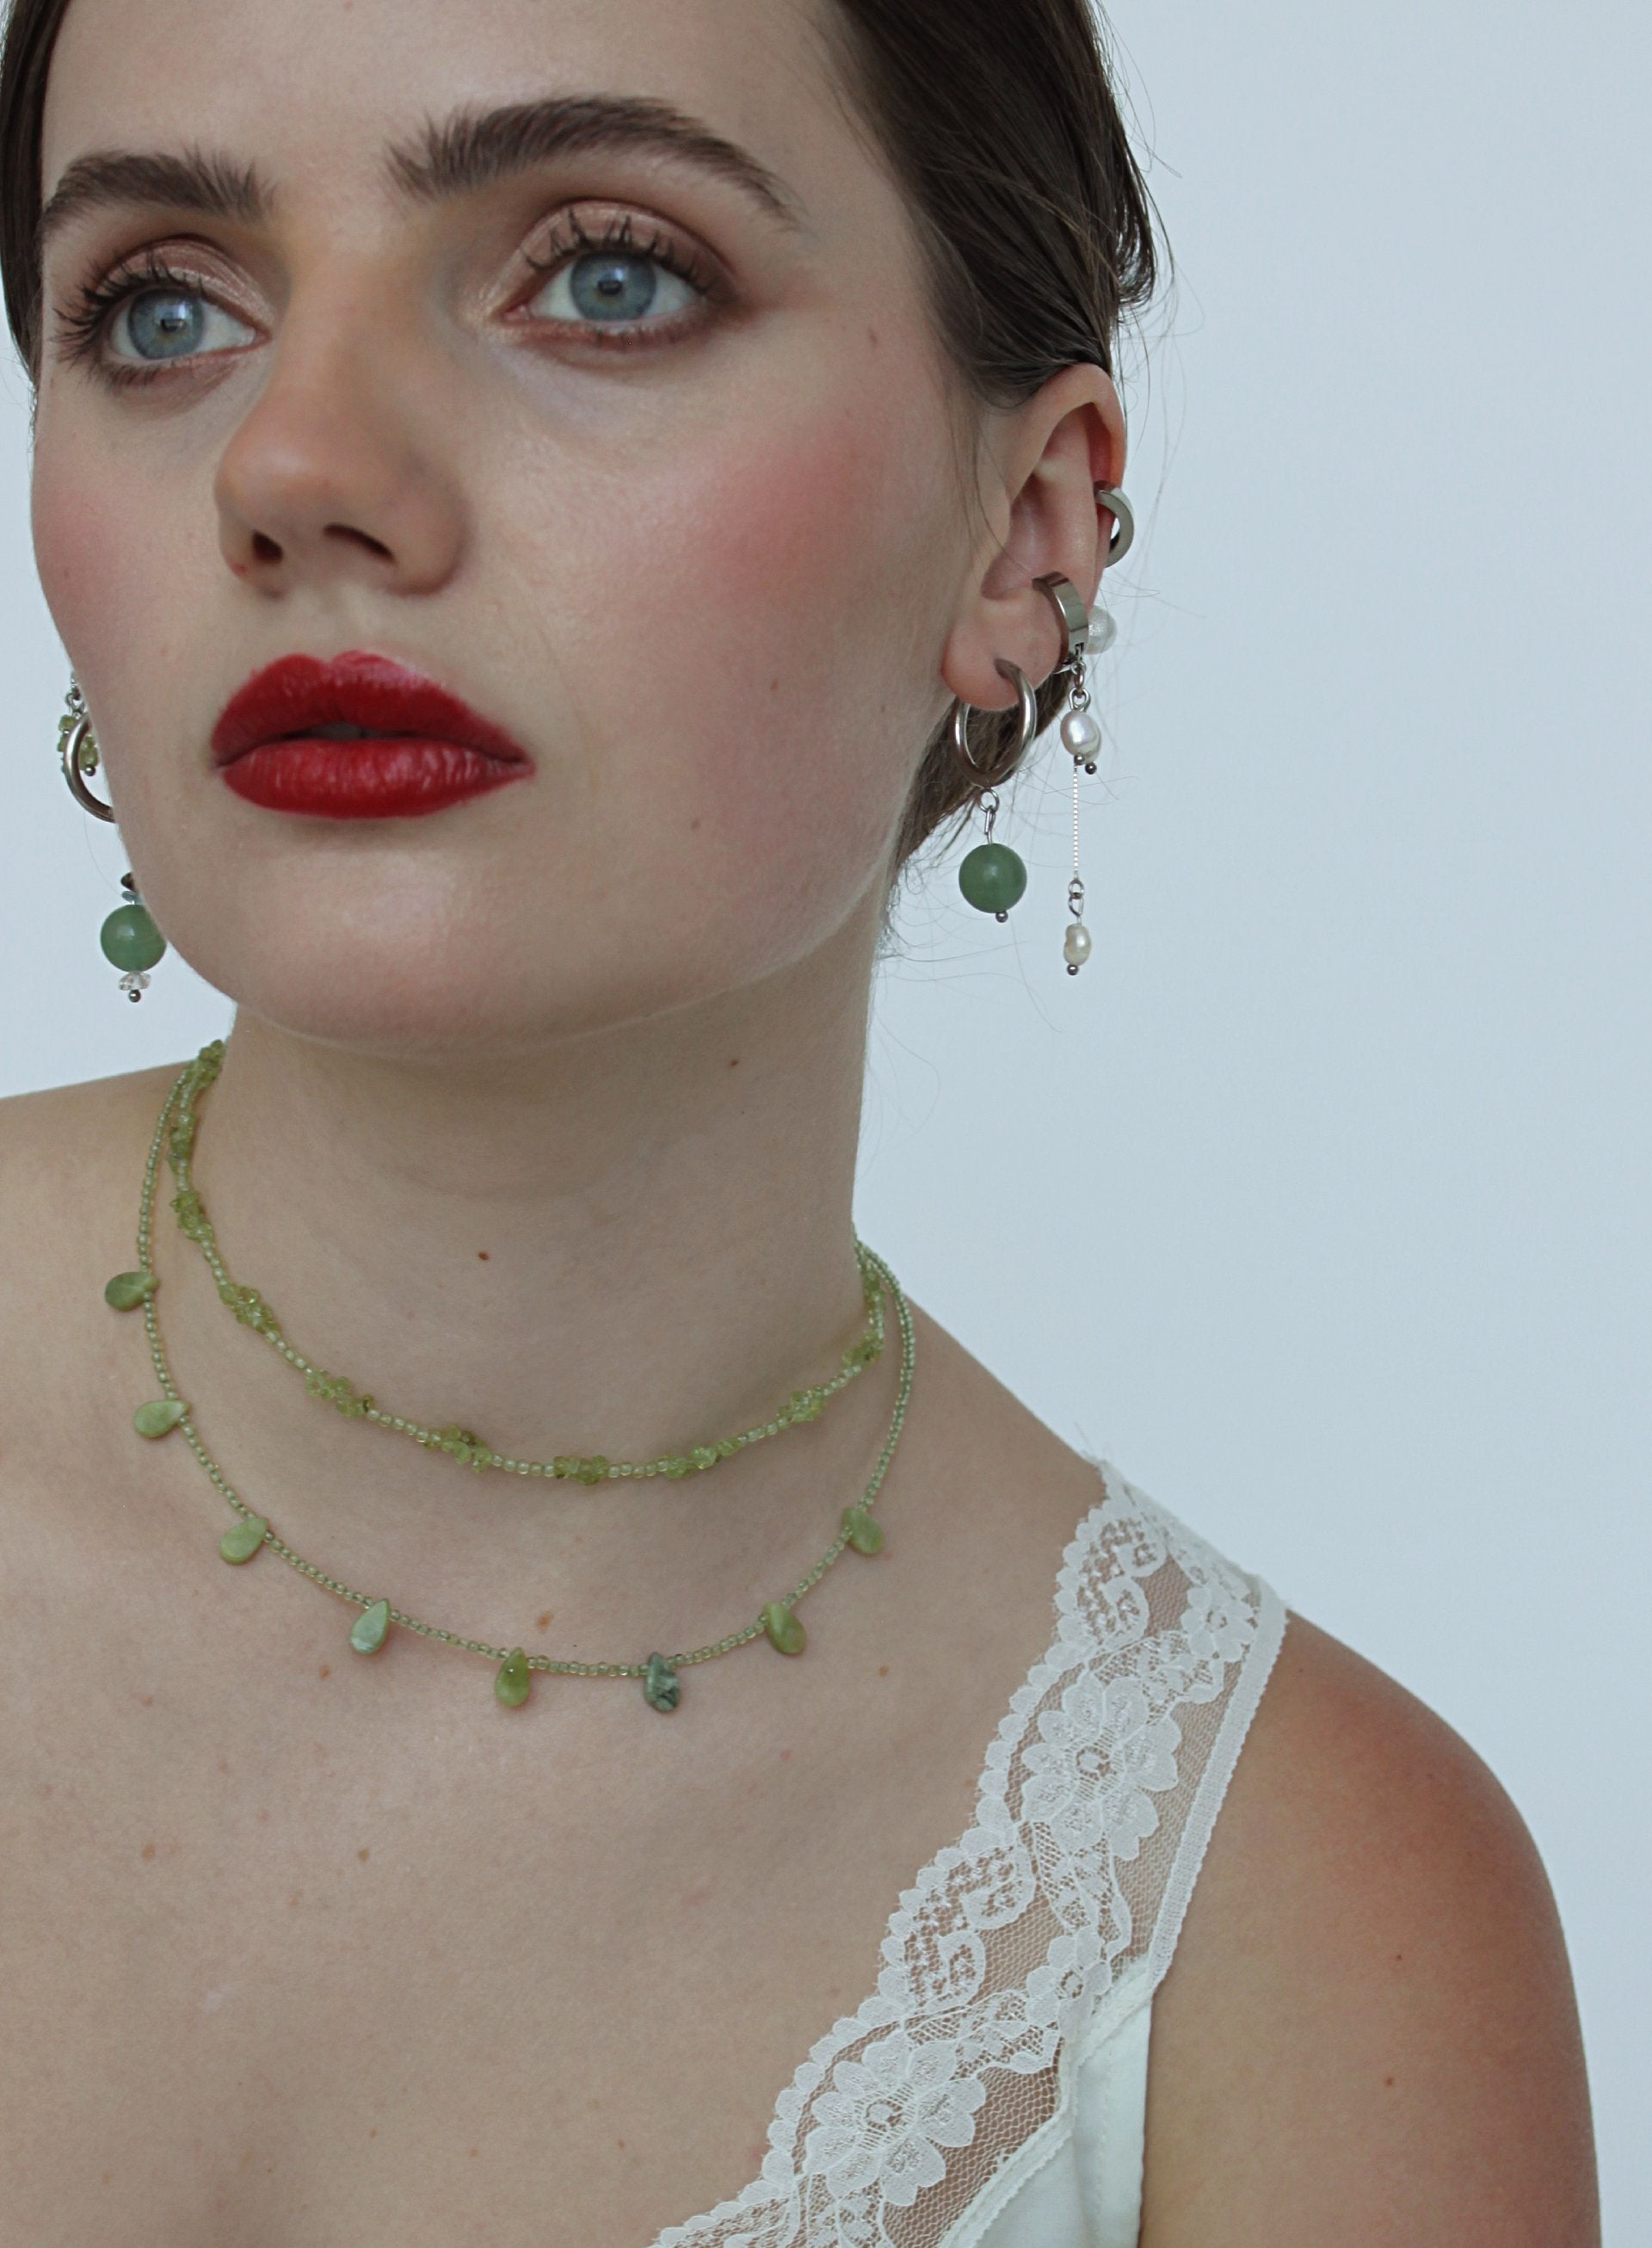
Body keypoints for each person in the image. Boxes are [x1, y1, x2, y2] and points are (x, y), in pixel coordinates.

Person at [0, 0, 1600, 2239]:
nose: (296, 463)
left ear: (1025, 533)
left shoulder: (1293, 1930)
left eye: (608, 276)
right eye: (163, 309)